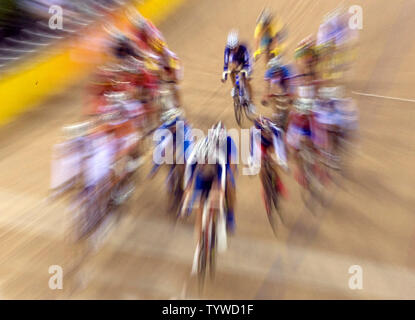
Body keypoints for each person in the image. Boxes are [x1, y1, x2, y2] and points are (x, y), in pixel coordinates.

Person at [221, 30, 255, 111]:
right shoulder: (227, 50)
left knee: (246, 80)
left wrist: (248, 74)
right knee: (231, 69)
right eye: (231, 48)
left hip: (246, 61)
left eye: (235, 48)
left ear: (238, 44)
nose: (233, 50)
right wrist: (224, 76)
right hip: (235, 60)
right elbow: (226, 64)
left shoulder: (244, 48)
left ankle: (251, 102)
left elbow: (249, 62)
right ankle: (234, 87)